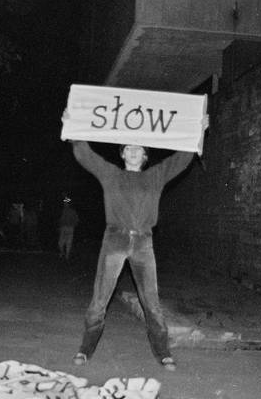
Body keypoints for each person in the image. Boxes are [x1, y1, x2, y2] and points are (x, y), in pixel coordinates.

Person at [68, 135, 200, 371]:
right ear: (122, 153)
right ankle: (85, 349)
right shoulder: (112, 175)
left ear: (145, 155)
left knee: (152, 301)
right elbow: (86, 156)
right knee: (100, 299)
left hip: (143, 242)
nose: (132, 151)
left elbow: (181, 159)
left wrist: (196, 131)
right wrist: (75, 132)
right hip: (115, 239)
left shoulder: (155, 176)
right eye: (128, 147)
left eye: (137, 148)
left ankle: (163, 353)